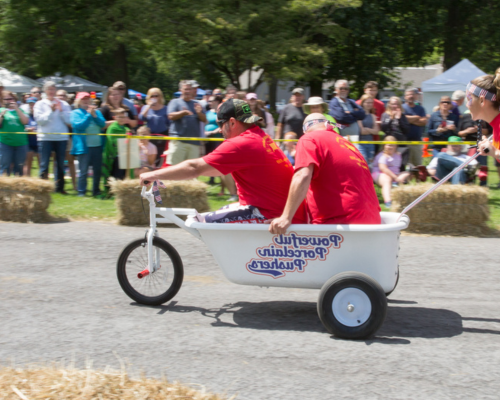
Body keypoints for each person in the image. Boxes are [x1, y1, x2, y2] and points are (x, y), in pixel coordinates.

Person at [140, 99, 307, 224]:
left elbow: (194, 168)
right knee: (211, 215)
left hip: (270, 213)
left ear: (232, 122)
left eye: (221, 124)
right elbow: (210, 169)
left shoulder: (241, 144)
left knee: (201, 222)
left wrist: (154, 174)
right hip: (276, 209)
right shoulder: (259, 136)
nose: (220, 130)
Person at [269, 113, 380, 234]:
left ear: (305, 129)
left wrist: (285, 217)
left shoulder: (309, 138)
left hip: (341, 224)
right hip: (370, 220)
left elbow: (303, 176)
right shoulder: (347, 144)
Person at [34, 81, 71, 194]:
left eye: (53, 89)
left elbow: (69, 121)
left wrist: (60, 111)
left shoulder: (63, 104)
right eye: (49, 89)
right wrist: (51, 111)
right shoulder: (39, 104)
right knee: (44, 164)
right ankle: (43, 188)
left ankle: (60, 188)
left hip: (61, 138)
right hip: (45, 138)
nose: (51, 91)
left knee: (60, 164)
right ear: (45, 91)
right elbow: (40, 121)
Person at [70, 92, 106, 197]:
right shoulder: (75, 113)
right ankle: (82, 191)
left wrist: (94, 115)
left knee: (97, 170)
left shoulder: (97, 112)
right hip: (84, 147)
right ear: (78, 101)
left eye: (87, 99)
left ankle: (96, 190)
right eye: (83, 99)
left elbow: (103, 124)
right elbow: (79, 126)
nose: (86, 101)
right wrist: (89, 115)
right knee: (83, 171)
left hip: (97, 146)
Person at [166, 80, 207, 165]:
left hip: (194, 142)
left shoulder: (197, 104)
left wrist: (199, 113)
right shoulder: (175, 102)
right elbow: (170, 116)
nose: (188, 91)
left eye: (190, 89)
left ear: (193, 90)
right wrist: (183, 113)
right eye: (185, 89)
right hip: (179, 140)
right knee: (175, 169)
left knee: (192, 171)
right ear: (180, 90)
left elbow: (204, 120)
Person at [371, 136, 411, 208]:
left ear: (396, 146)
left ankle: (396, 185)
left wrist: (397, 176)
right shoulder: (382, 156)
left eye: (392, 145)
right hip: (380, 174)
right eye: (388, 145)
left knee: (407, 173)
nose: (390, 147)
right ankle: (388, 202)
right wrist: (395, 177)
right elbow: (383, 168)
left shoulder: (398, 155)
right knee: (387, 179)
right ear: (384, 146)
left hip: (394, 175)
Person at [0, 91, 29, 176]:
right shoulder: (1, 110)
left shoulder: (21, 110)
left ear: (15, 99)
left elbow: (25, 121)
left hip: (21, 143)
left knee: (19, 167)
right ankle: (4, 188)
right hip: (6, 143)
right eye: (6, 99)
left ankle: (18, 188)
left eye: (11, 98)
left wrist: (17, 109)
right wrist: (2, 115)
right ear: (3, 100)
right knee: (5, 167)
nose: (9, 101)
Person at [102, 108, 131, 193]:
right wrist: (124, 139)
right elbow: (112, 140)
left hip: (123, 155)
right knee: (114, 175)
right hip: (114, 155)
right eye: (120, 117)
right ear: (115, 117)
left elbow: (129, 140)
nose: (122, 119)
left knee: (121, 174)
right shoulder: (112, 128)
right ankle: (112, 191)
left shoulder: (126, 129)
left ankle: (119, 191)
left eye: (123, 117)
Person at [139, 88, 170, 165]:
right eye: (152, 96)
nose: (154, 98)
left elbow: (169, 122)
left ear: (160, 97)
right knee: (149, 154)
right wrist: (149, 106)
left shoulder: (165, 108)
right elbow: (141, 118)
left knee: (160, 155)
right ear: (148, 97)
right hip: (149, 136)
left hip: (162, 135)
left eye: (156, 96)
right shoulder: (145, 107)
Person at [56, 89, 77, 190]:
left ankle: (75, 185)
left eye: (63, 95)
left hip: (67, 137)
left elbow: (71, 124)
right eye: (59, 95)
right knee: (57, 162)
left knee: (70, 161)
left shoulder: (69, 109)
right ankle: (57, 184)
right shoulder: (52, 107)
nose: (61, 97)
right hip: (55, 138)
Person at [403, 89, 427, 166]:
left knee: (417, 165)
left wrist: (409, 120)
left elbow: (424, 121)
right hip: (404, 142)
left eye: (412, 94)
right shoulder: (402, 107)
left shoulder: (420, 108)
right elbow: (402, 119)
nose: (411, 96)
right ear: (405, 97)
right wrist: (416, 117)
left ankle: (417, 178)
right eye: (408, 94)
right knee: (405, 165)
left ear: (415, 96)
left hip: (417, 141)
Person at [358, 94, 379, 163]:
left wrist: (367, 129)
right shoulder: (359, 115)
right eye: (367, 102)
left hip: (371, 144)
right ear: (363, 103)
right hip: (361, 143)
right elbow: (362, 131)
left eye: (371, 103)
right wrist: (371, 130)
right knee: (363, 163)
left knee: (370, 164)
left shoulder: (373, 116)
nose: (369, 104)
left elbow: (377, 131)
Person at [23, 97, 38, 176]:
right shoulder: (26, 115)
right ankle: (27, 182)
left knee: (41, 164)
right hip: (29, 142)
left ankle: (42, 181)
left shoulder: (39, 115)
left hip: (39, 142)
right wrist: (27, 129)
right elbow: (23, 126)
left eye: (33, 104)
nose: (32, 106)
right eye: (30, 104)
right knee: (27, 164)